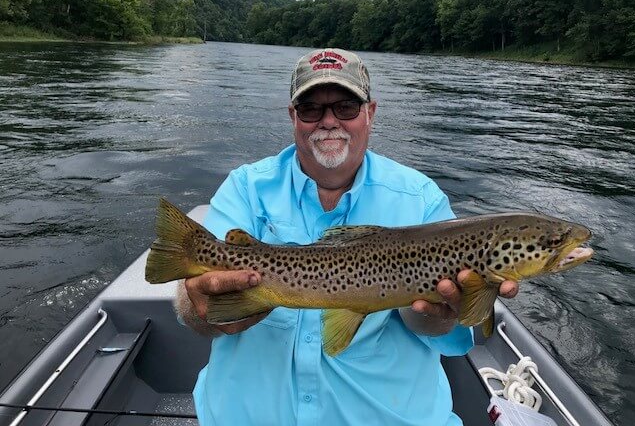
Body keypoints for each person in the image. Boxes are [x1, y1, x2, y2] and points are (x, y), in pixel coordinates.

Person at [175, 48, 519, 425]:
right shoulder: (246, 187)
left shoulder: (421, 199)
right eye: (310, 109)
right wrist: (201, 306)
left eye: (345, 107)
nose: (328, 121)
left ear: (370, 113)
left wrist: (440, 314)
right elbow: (195, 306)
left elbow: (439, 332)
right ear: (293, 117)